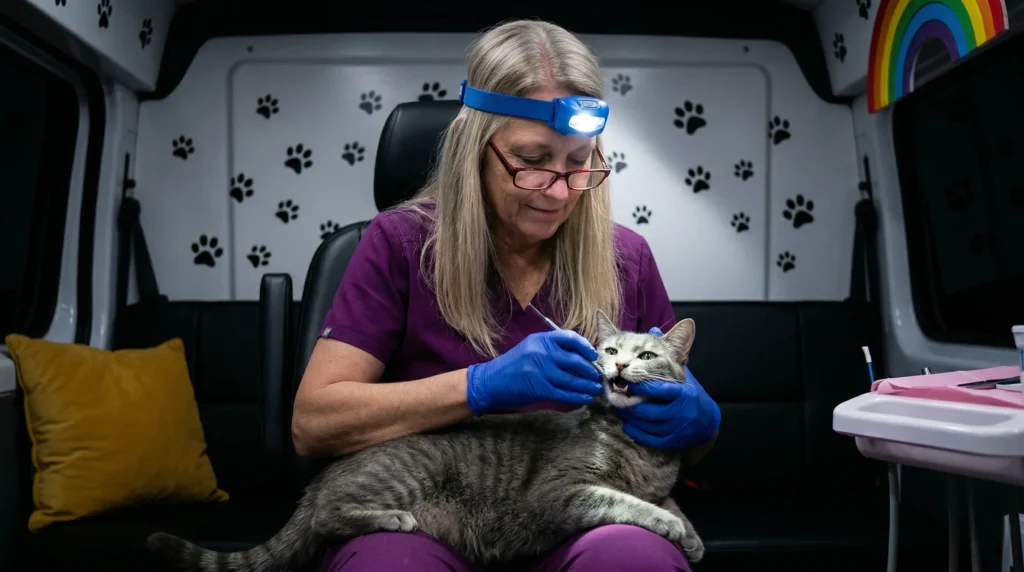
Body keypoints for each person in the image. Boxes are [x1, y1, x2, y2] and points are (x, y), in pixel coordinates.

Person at [292, 19, 721, 572]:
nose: (560, 190)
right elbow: (312, 425)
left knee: (635, 558)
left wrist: (702, 422)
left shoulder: (627, 258)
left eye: (577, 162)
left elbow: (683, 440)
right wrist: (478, 386)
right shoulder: (399, 244)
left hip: (578, 513)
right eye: (533, 161)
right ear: (476, 149)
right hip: (432, 509)